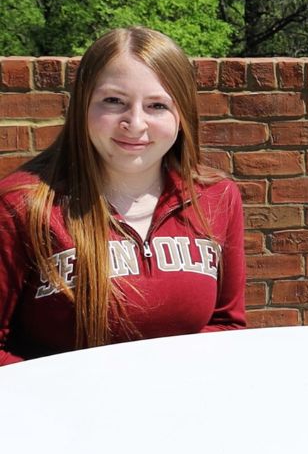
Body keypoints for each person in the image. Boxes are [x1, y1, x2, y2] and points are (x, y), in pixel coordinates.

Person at [0, 27, 246, 365]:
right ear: (83, 104)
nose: (135, 123)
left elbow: (226, 325)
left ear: (182, 115)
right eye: (114, 101)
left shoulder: (217, 197)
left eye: (157, 105)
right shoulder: (21, 204)